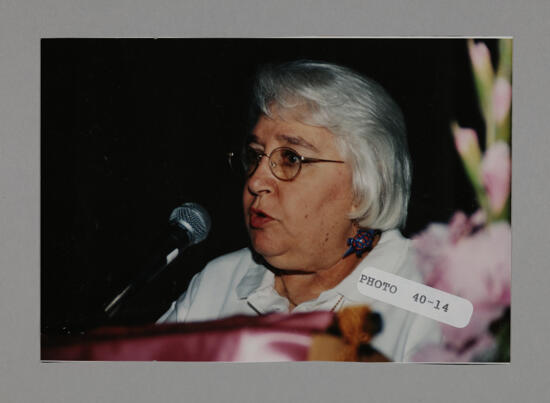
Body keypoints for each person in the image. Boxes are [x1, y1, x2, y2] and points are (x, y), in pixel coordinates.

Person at [158, 60, 441, 361]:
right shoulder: (217, 283)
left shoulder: (432, 303)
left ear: (363, 187)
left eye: (291, 158)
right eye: (255, 156)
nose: (255, 181)